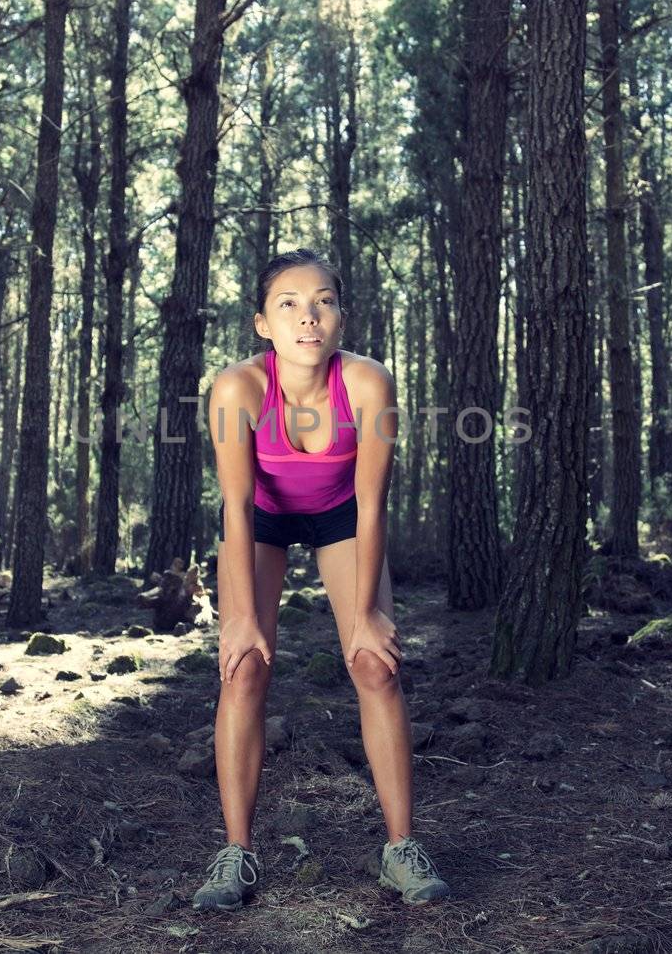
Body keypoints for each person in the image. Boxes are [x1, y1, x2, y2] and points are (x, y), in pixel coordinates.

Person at [190, 248, 450, 911]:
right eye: (290, 304)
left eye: (324, 301)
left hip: (342, 518)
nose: (309, 317)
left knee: (374, 663)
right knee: (243, 667)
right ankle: (237, 853)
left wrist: (365, 612)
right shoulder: (236, 389)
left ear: (340, 316)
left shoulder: (368, 384)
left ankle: (401, 848)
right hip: (264, 521)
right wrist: (241, 618)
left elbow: (371, 504)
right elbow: (238, 506)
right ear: (262, 324)